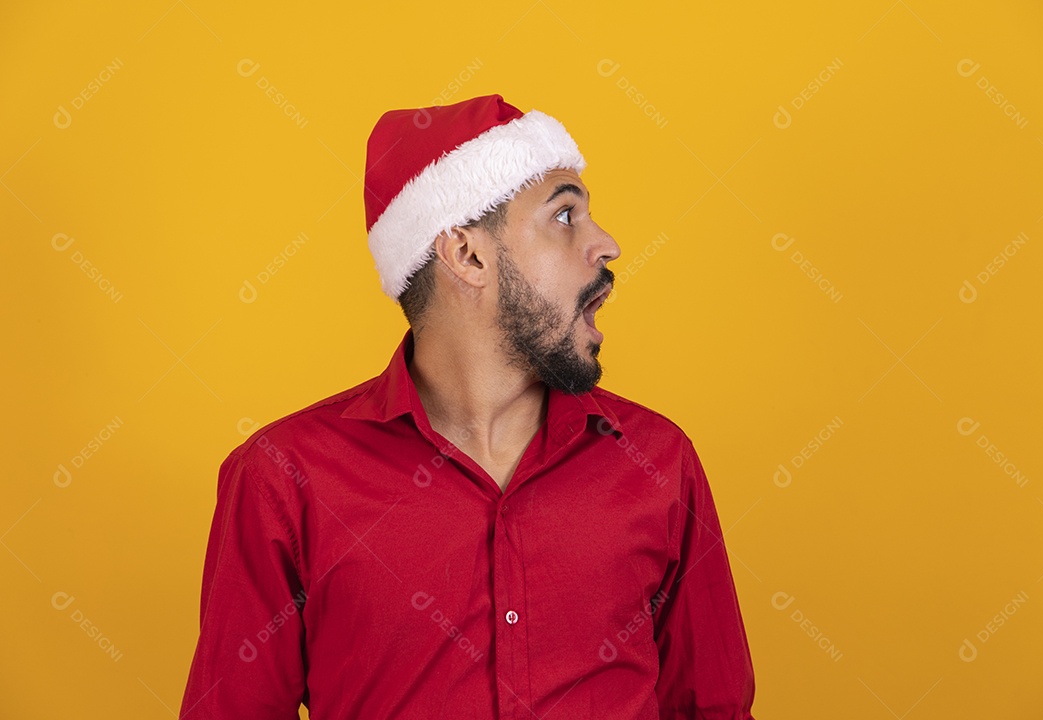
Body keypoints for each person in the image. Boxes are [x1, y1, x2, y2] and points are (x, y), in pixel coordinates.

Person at [179, 93, 756, 719]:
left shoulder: (657, 461)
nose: (607, 244)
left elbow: (715, 709)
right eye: (565, 216)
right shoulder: (283, 479)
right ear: (468, 255)